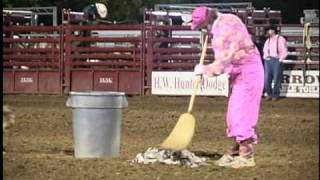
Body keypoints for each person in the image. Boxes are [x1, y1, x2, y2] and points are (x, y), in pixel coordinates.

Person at [191, 6, 264, 168]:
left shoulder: (220, 34)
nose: (204, 30)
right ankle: (235, 153)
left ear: (207, 22)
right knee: (234, 114)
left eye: (203, 27)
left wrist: (203, 69)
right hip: (245, 71)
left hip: (247, 72)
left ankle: (246, 156)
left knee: (241, 114)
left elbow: (221, 65)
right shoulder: (230, 18)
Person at [262, 26, 288, 101]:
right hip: (268, 60)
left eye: (269, 30)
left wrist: (281, 59)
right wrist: (266, 57)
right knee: (267, 79)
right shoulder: (268, 40)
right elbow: (265, 50)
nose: (268, 32)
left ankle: (275, 94)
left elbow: (284, 50)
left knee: (277, 78)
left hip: (277, 59)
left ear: (273, 31)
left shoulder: (280, 39)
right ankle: (269, 94)